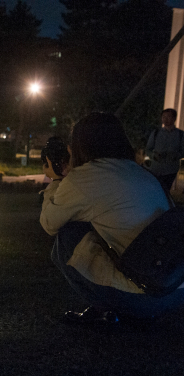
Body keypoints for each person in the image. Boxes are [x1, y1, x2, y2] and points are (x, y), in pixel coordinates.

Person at [41, 112, 184, 324]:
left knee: (67, 234)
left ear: (81, 144)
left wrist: (54, 179)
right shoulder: (141, 172)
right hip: (175, 290)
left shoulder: (85, 177)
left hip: (147, 297)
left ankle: (104, 309)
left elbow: (49, 223)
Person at [145, 108, 184, 193]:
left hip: (170, 170)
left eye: (168, 116)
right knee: (154, 191)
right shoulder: (156, 133)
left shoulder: (180, 135)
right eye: (163, 117)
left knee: (165, 191)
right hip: (155, 168)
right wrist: (154, 155)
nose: (165, 119)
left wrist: (176, 155)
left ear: (174, 118)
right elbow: (148, 149)